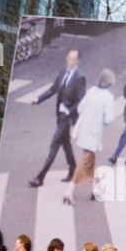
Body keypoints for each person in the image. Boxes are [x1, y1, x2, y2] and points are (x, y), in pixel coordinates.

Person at [29, 48, 86, 187]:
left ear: (78, 61)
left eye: (73, 59)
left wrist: (69, 112)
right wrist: (37, 99)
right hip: (59, 115)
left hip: (66, 118)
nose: (70, 61)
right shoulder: (62, 72)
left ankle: (40, 177)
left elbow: (82, 100)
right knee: (65, 144)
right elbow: (53, 89)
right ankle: (73, 170)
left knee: (54, 145)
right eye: (69, 58)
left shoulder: (79, 77)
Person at [63, 69, 116, 206]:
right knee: (85, 160)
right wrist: (102, 121)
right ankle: (69, 192)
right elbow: (109, 118)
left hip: (85, 130)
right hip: (95, 132)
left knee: (90, 159)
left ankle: (94, 189)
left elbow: (80, 108)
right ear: (109, 83)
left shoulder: (92, 90)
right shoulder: (108, 97)